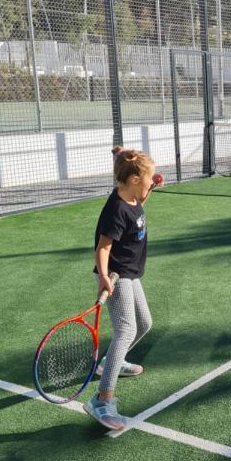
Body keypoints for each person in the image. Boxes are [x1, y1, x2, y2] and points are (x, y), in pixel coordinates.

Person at [83, 147, 156, 430]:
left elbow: (141, 199)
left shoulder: (134, 196)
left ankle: (110, 363)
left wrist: (125, 154)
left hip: (132, 273)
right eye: (149, 178)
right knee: (126, 330)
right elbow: (103, 247)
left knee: (145, 324)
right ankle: (102, 399)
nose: (153, 182)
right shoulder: (115, 209)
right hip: (116, 275)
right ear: (135, 179)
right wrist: (103, 276)